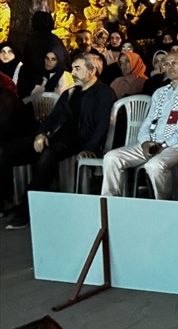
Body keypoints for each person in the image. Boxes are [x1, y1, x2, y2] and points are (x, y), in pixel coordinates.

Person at [2, 54, 115, 229]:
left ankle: (27, 210)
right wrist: (40, 135)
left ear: (92, 70)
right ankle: (5, 200)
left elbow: (101, 125)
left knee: (48, 154)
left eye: (78, 68)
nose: (72, 72)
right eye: (73, 68)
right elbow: (51, 118)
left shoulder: (103, 92)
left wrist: (90, 147)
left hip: (78, 140)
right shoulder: (71, 92)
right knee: (6, 150)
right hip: (55, 137)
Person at [101, 51, 178, 200]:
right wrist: (145, 142)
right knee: (111, 157)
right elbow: (149, 120)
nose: (170, 67)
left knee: (154, 165)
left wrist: (164, 144)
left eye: (175, 63)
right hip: (153, 142)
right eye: (166, 64)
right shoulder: (160, 92)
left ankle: (163, 204)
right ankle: (110, 202)